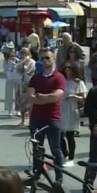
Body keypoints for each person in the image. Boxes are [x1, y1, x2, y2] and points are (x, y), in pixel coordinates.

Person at [27, 49, 66, 181]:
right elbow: (30, 96)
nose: (44, 61)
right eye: (42, 58)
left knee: (56, 149)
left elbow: (56, 97)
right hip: (36, 118)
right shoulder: (36, 77)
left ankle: (59, 178)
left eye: (47, 58)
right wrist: (44, 98)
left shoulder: (59, 77)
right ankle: (36, 176)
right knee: (37, 149)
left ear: (53, 58)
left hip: (52, 118)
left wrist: (41, 97)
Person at [60, 65, 86, 167]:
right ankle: (65, 153)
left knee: (70, 135)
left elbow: (83, 97)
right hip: (61, 109)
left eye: (69, 68)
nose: (67, 70)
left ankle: (71, 158)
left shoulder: (78, 82)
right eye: (66, 68)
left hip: (71, 109)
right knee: (59, 134)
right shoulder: (61, 81)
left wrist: (73, 96)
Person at [15, 48, 36, 126]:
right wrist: (22, 62)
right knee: (22, 102)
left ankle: (31, 120)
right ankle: (23, 120)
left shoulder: (32, 62)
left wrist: (26, 65)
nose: (23, 54)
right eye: (22, 53)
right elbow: (17, 69)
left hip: (30, 83)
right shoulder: (20, 61)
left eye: (25, 53)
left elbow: (30, 71)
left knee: (30, 102)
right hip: (22, 83)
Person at [3, 50, 20, 116]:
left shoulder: (17, 60)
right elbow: (5, 69)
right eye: (11, 52)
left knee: (17, 94)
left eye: (14, 52)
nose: (13, 53)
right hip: (9, 79)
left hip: (17, 78)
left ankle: (18, 110)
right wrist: (8, 73)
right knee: (9, 94)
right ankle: (9, 110)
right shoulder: (6, 61)